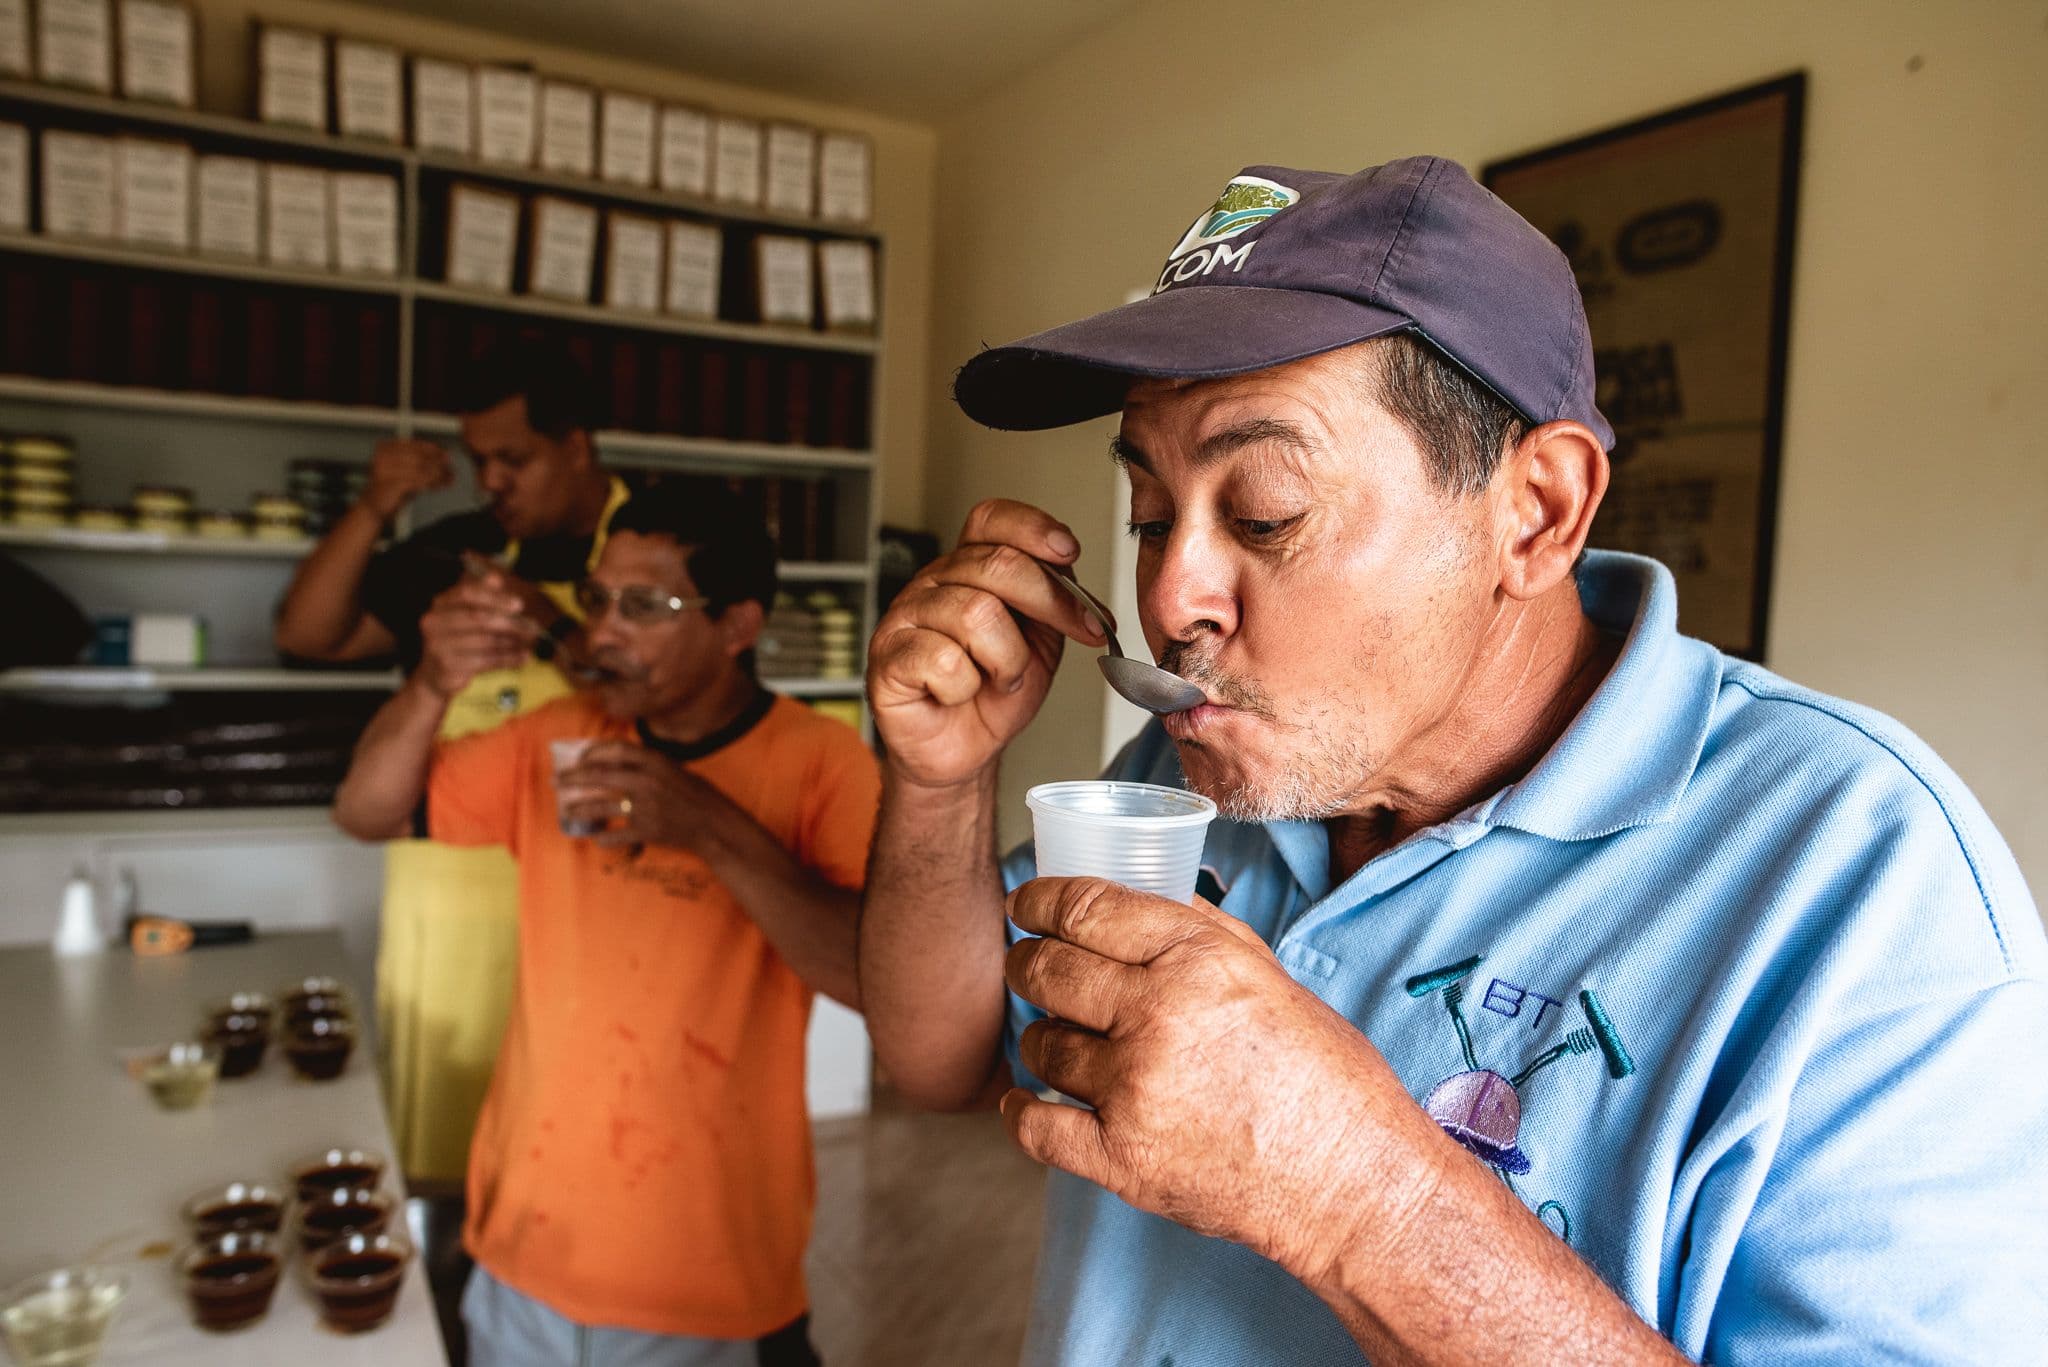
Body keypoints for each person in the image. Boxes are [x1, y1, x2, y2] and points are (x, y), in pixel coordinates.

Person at [858, 157, 2048, 1364]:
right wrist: (939, 781)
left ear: (1533, 511)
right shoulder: (1199, 776)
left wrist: (1359, 1193)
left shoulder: (1864, 884)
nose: (1169, 596)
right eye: (1150, 513)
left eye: (1264, 510)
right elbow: (936, 1056)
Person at [334, 480, 878, 1365]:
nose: (604, 632)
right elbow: (367, 810)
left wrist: (707, 826)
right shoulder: (561, 732)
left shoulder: (821, 762)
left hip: (706, 1271)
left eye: (645, 606)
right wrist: (434, 682)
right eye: (596, 601)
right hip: (522, 1245)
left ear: (738, 626)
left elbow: (870, 979)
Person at [276, 334, 628, 1188]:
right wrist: (374, 507)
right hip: (448, 919)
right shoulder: (456, 550)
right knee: (443, 1164)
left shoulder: (656, 547)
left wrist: (552, 622)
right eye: (478, 460)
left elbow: (688, 698)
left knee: (581, 1155)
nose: (491, 482)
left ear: (575, 446)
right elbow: (307, 634)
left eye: (514, 458)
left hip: (601, 915)